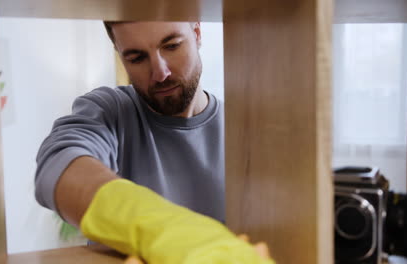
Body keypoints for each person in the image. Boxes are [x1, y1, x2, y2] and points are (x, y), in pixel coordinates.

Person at [35, 21, 274, 264]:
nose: (160, 73)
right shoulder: (110, 110)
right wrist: (160, 229)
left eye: (172, 46)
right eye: (137, 58)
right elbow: (59, 164)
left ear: (197, 33)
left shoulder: (249, 131)